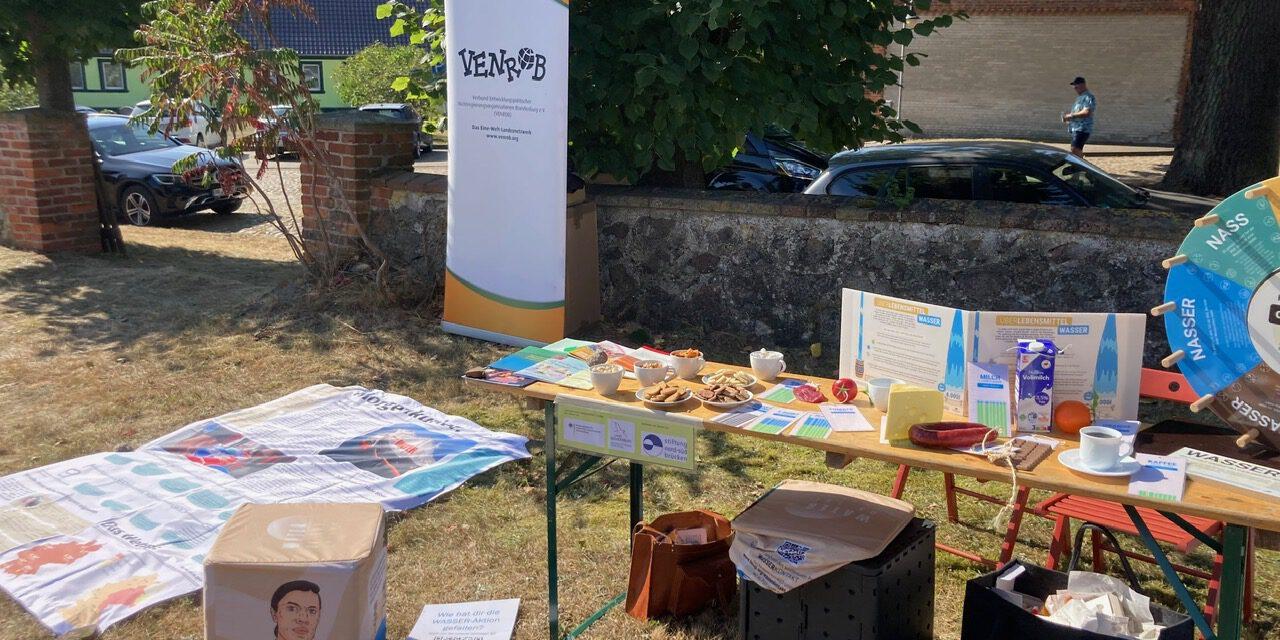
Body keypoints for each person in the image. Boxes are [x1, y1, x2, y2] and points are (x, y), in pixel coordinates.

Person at [1062, 76, 1096, 157]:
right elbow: (1078, 113)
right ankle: (1079, 166)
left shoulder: (1088, 97)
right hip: (1076, 128)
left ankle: (1081, 166)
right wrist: (1068, 118)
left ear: (1083, 85)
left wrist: (1071, 116)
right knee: (1075, 149)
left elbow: (1087, 112)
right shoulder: (1080, 98)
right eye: (1074, 86)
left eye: (1077, 85)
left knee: (1075, 149)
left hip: (1082, 128)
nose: (1075, 87)